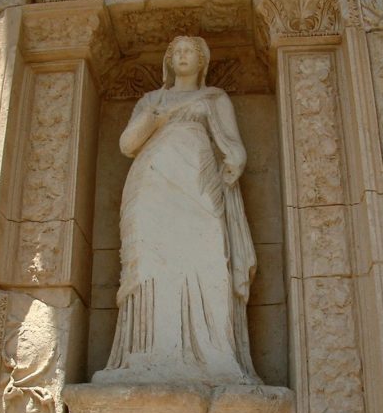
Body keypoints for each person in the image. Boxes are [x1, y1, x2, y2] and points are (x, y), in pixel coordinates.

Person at [92, 36, 259, 385]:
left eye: (189, 52)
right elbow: (127, 144)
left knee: (208, 257)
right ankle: (148, 353)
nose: (182, 56)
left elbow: (234, 143)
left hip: (199, 181)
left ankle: (216, 353)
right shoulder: (152, 100)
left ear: (201, 61)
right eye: (177, 52)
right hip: (151, 186)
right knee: (151, 262)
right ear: (168, 61)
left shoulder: (214, 98)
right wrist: (153, 119)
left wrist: (236, 159)